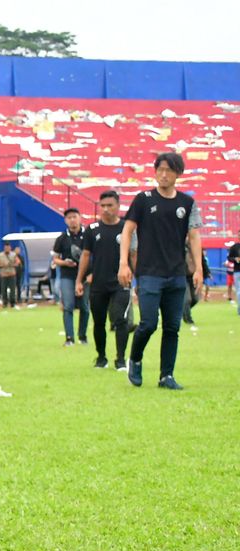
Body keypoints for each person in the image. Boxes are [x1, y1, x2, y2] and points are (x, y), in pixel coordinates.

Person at [120, 151, 203, 390]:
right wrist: (124, 263)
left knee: (172, 328)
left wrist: (198, 269)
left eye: (169, 170)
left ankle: (166, 376)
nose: (164, 174)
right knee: (148, 323)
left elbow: (195, 236)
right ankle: (135, 359)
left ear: (178, 174)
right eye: (160, 169)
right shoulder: (143, 199)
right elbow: (127, 231)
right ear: (155, 172)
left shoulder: (187, 203)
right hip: (149, 273)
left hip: (176, 273)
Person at [75, 190, 132, 371]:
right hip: (98, 283)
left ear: (118, 206)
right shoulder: (92, 230)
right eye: (103, 206)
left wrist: (138, 279)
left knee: (120, 319)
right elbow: (85, 256)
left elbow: (134, 254)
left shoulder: (126, 228)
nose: (106, 209)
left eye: (110, 205)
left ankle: (121, 359)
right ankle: (101, 357)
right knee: (98, 321)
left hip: (120, 283)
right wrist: (79, 280)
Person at [53, 208, 89, 345]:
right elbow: (55, 259)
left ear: (80, 217)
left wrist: (91, 274)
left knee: (85, 307)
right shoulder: (62, 238)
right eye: (69, 218)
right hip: (67, 275)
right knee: (68, 306)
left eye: (74, 217)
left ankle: (82, 336)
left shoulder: (88, 234)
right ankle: (69, 338)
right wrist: (64, 263)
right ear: (65, 220)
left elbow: (95, 255)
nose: (72, 220)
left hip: (86, 276)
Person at [0, 243, 19, 309]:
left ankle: (12, 303)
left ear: (10, 248)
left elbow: (17, 262)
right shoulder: (0, 255)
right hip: (4, 275)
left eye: (8, 248)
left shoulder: (13, 255)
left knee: (12, 290)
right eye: (6, 248)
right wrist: (2, 265)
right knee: (3, 290)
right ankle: (5, 303)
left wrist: (12, 264)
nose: (7, 249)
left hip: (12, 274)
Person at [226, 235, 239, 303]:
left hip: (234, 272)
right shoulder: (234, 248)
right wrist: (235, 259)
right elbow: (229, 258)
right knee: (232, 286)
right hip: (234, 272)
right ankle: (229, 296)